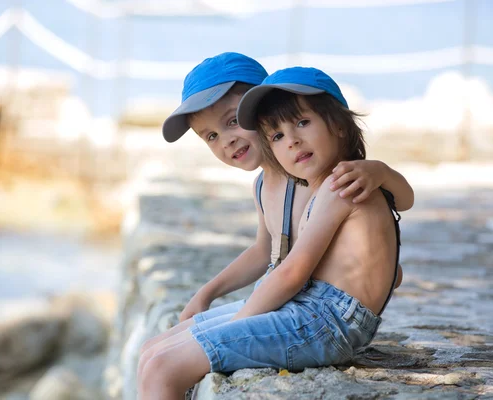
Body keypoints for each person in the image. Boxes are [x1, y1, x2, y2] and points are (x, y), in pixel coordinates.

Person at [138, 57, 412, 399]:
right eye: (211, 135)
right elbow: (267, 252)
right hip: (302, 302)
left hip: (321, 315)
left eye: (234, 121)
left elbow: (296, 270)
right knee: (152, 352)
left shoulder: (330, 181)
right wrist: (206, 294)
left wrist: (381, 171)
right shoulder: (277, 182)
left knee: (165, 366)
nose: (227, 140)